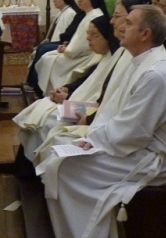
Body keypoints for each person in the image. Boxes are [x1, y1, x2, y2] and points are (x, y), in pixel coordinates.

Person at [39, 5, 166, 238]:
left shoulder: (155, 73)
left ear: (145, 34)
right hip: (132, 147)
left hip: (153, 159)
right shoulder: (139, 61)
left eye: (129, 23)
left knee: (64, 167)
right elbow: (115, 112)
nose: (120, 26)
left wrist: (92, 139)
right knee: (59, 158)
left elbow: (133, 131)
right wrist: (93, 137)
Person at [14, 15, 120, 161]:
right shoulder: (107, 56)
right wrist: (67, 89)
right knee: (41, 108)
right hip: (85, 104)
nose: (88, 38)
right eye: (88, 34)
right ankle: (28, 167)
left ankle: (34, 168)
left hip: (92, 110)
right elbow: (86, 79)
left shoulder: (117, 59)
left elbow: (105, 98)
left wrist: (68, 99)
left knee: (48, 120)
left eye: (94, 35)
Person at [35, 0, 109, 94]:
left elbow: (80, 46)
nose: (79, 0)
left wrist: (66, 50)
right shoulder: (89, 14)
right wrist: (67, 46)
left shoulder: (93, 17)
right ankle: (40, 89)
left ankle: (48, 91)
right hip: (80, 53)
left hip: (85, 57)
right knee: (46, 56)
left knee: (47, 59)